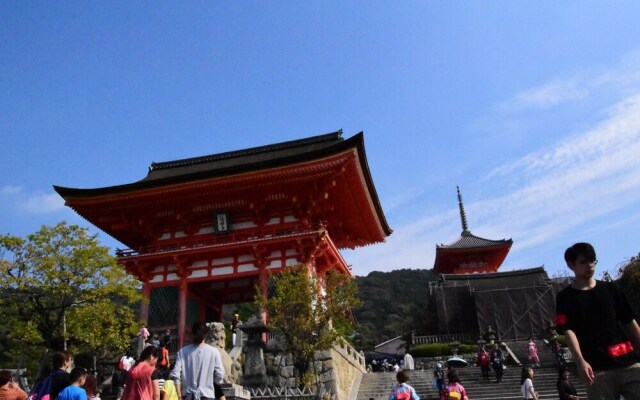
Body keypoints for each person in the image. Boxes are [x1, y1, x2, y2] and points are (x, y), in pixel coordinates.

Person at [555, 242, 640, 398]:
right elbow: (568, 331)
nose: (590, 265)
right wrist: (580, 362)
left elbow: (629, 321)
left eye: (593, 261)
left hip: (629, 362)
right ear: (571, 265)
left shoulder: (612, 289)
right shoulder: (565, 298)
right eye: (584, 262)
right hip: (597, 369)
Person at [170, 321, 226, 400]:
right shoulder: (214, 352)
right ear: (206, 334)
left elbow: (176, 375)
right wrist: (211, 383)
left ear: (192, 333)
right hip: (207, 395)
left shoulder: (183, 352)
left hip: (188, 396)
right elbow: (220, 374)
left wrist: (179, 395)